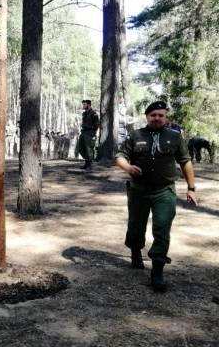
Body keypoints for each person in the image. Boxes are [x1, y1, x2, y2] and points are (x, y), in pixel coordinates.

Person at [115, 101, 198, 292]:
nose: (157, 118)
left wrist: (191, 188)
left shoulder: (175, 137)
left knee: (162, 228)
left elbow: (185, 162)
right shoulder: (136, 135)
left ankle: (157, 270)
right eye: (153, 115)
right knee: (136, 226)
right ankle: (136, 251)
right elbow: (119, 156)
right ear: (147, 117)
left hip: (164, 191)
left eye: (161, 115)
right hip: (139, 190)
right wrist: (127, 167)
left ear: (166, 117)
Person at [77, 99, 100, 171]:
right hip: (83, 132)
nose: (83, 106)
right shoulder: (84, 114)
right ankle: (86, 163)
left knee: (89, 148)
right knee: (80, 148)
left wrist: (94, 132)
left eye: (85, 104)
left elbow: (97, 124)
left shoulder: (94, 114)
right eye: (83, 104)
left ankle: (89, 165)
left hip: (90, 133)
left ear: (89, 105)